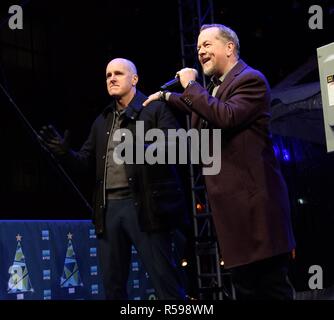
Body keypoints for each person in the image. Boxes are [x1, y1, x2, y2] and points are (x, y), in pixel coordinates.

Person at [143, 24, 296, 300]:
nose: (200, 51)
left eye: (207, 44)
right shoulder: (216, 88)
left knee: (270, 290)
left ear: (229, 47)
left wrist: (190, 84)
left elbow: (225, 115)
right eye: (198, 47)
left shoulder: (250, 80)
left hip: (257, 213)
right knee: (246, 290)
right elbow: (202, 109)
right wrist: (167, 96)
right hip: (233, 215)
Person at [39, 58, 187, 300]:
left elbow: (178, 145)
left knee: (165, 283)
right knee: (113, 286)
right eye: (108, 75)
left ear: (134, 79)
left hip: (145, 206)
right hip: (109, 210)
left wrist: (142, 148)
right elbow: (84, 162)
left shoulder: (154, 109)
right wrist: (66, 154)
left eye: (118, 73)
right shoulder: (103, 119)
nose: (112, 78)